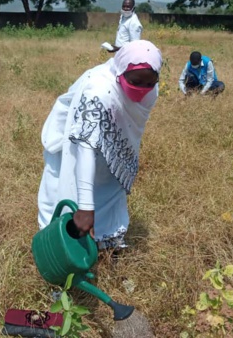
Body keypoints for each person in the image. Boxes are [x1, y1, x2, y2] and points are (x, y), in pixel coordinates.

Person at [37, 40, 162, 250]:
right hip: (73, 141)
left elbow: (128, 125)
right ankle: (58, 244)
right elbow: (85, 145)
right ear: (120, 72)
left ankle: (106, 242)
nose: (143, 89)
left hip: (110, 148)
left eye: (149, 83)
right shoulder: (98, 90)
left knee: (110, 187)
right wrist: (85, 208)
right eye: (136, 81)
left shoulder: (151, 90)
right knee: (68, 188)